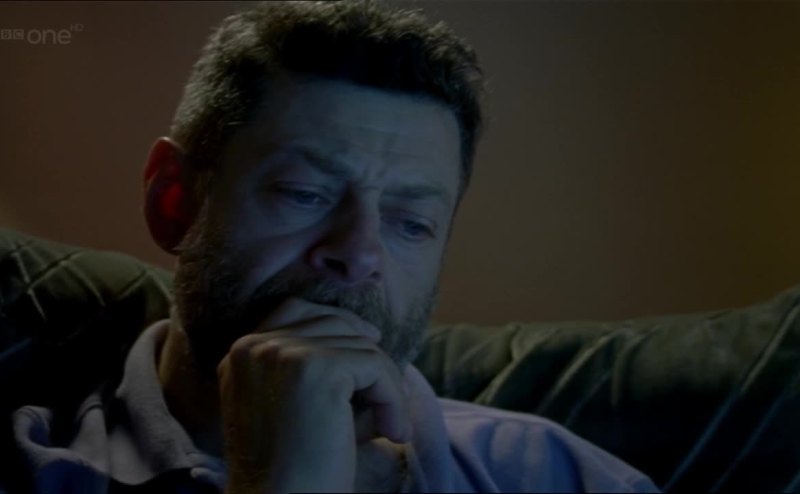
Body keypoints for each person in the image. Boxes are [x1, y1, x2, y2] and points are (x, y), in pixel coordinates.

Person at [10, 2, 658, 492]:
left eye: (411, 222)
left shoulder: (558, 475)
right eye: (305, 194)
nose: (359, 254)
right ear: (174, 201)